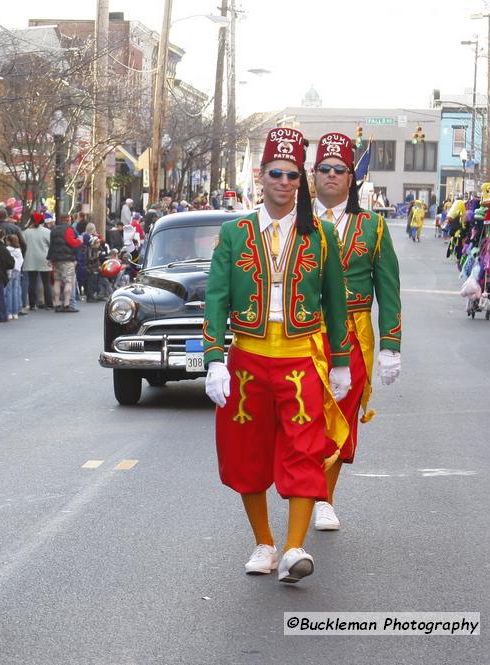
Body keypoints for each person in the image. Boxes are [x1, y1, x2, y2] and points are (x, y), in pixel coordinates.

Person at [202, 127, 352, 585]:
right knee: (246, 455)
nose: (284, 182)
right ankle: (265, 542)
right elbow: (216, 297)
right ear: (260, 176)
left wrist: (342, 360)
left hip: (302, 358)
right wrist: (213, 357)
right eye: (275, 174)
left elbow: (335, 302)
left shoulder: (321, 235)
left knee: (304, 452)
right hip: (247, 359)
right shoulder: (235, 233)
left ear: (300, 180)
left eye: (291, 175)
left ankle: (294, 547)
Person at [311, 132, 402, 531]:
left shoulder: (374, 227)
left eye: (340, 170)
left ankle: (323, 498)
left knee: (342, 414)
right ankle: (306, 489)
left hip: (355, 332)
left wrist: (391, 345)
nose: (332, 175)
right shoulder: (295, 223)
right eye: (324, 169)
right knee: (306, 414)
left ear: (352, 177)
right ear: (312, 175)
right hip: (305, 331)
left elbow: (389, 288)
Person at [47, 213, 82, 312]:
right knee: (68, 281)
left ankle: (57, 304)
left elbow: (52, 245)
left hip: (56, 259)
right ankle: (66, 304)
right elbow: (72, 242)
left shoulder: (53, 230)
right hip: (67, 259)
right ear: (68, 220)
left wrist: (49, 258)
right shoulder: (69, 229)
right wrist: (79, 241)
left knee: (57, 281)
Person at [23, 211, 53, 309]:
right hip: (44, 258)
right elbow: (51, 245)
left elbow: (23, 245)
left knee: (32, 282)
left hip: (30, 259)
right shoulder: (46, 231)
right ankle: (49, 303)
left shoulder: (26, 232)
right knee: (46, 282)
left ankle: (32, 304)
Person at [4, 234, 24, 320]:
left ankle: (9, 312)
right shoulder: (18, 250)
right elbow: (21, 260)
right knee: (15, 291)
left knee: (8, 292)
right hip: (17, 271)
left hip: (9, 271)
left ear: (9, 241)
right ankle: (15, 312)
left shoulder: (7, 250)